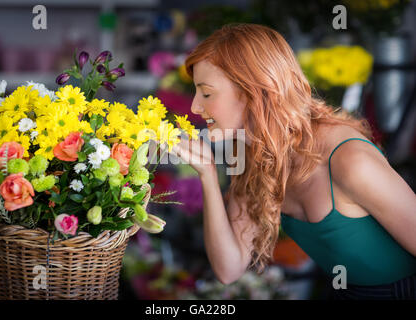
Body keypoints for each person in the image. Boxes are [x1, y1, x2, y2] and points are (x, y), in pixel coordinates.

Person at [167, 23, 416, 300]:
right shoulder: (255, 157)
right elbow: (229, 268)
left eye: (206, 93)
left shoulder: (350, 159)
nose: (194, 107)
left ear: (253, 90)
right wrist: (208, 176)